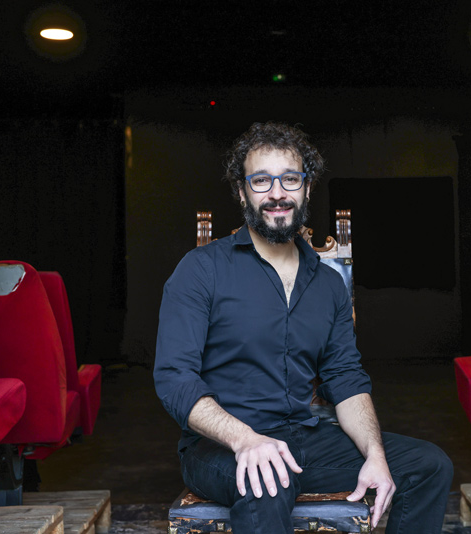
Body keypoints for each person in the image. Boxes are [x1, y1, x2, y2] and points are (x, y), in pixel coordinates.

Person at [154, 121, 453, 534]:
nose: (277, 193)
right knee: (268, 480)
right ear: (242, 192)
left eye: (290, 179)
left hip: (303, 439)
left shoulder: (328, 283)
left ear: (307, 188)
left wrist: (375, 454)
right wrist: (245, 440)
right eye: (261, 181)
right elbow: (174, 377)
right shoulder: (201, 270)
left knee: (427, 465)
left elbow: (345, 378)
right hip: (219, 447)